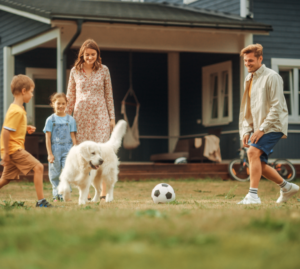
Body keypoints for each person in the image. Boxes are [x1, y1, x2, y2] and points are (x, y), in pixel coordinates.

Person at [238, 44, 299, 205]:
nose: (247, 64)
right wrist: (246, 130)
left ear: (260, 58)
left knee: (252, 153)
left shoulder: (272, 77)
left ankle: (253, 196)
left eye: (250, 60)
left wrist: (261, 129)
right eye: (245, 61)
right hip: (259, 127)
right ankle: (287, 188)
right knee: (259, 163)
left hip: (273, 125)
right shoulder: (249, 79)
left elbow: (277, 107)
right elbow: (248, 108)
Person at [65, 39, 115, 201]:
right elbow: (70, 96)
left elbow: (109, 95)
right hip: (81, 117)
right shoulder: (74, 71)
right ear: (82, 55)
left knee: (102, 152)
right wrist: (66, 118)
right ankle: (85, 191)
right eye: (87, 55)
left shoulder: (104, 70)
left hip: (100, 115)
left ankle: (103, 192)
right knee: (85, 155)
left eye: (93, 54)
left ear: (97, 55)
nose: (90, 57)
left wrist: (112, 117)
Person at [0, 75, 53, 207]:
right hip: (13, 149)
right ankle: (41, 202)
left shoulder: (18, 109)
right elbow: (6, 132)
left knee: (5, 179)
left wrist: (25, 127)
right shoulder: (16, 111)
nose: (32, 95)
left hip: (12, 148)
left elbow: (11, 128)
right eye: (31, 92)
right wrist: (6, 153)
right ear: (23, 91)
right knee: (39, 167)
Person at [43, 93, 77, 202]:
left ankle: (65, 194)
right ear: (53, 104)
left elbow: (72, 136)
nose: (61, 106)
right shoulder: (50, 120)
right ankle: (56, 195)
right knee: (55, 173)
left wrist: (75, 151)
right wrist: (49, 154)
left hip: (68, 149)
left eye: (63, 103)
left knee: (67, 172)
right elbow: (48, 138)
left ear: (67, 104)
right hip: (55, 149)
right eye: (58, 103)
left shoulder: (70, 120)